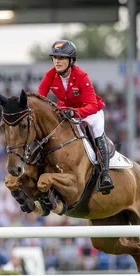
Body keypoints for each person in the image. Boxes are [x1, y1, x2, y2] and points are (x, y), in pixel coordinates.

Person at [38, 40, 114, 194]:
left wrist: (75, 112)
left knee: (97, 129)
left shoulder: (81, 76)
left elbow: (92, 104)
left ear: (71, 60)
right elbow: (40, 98)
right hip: (65, 111)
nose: (57, 62)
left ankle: (105, 174)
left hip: (89, 113)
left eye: (61, 58)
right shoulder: (50, 75)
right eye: (55, 58)